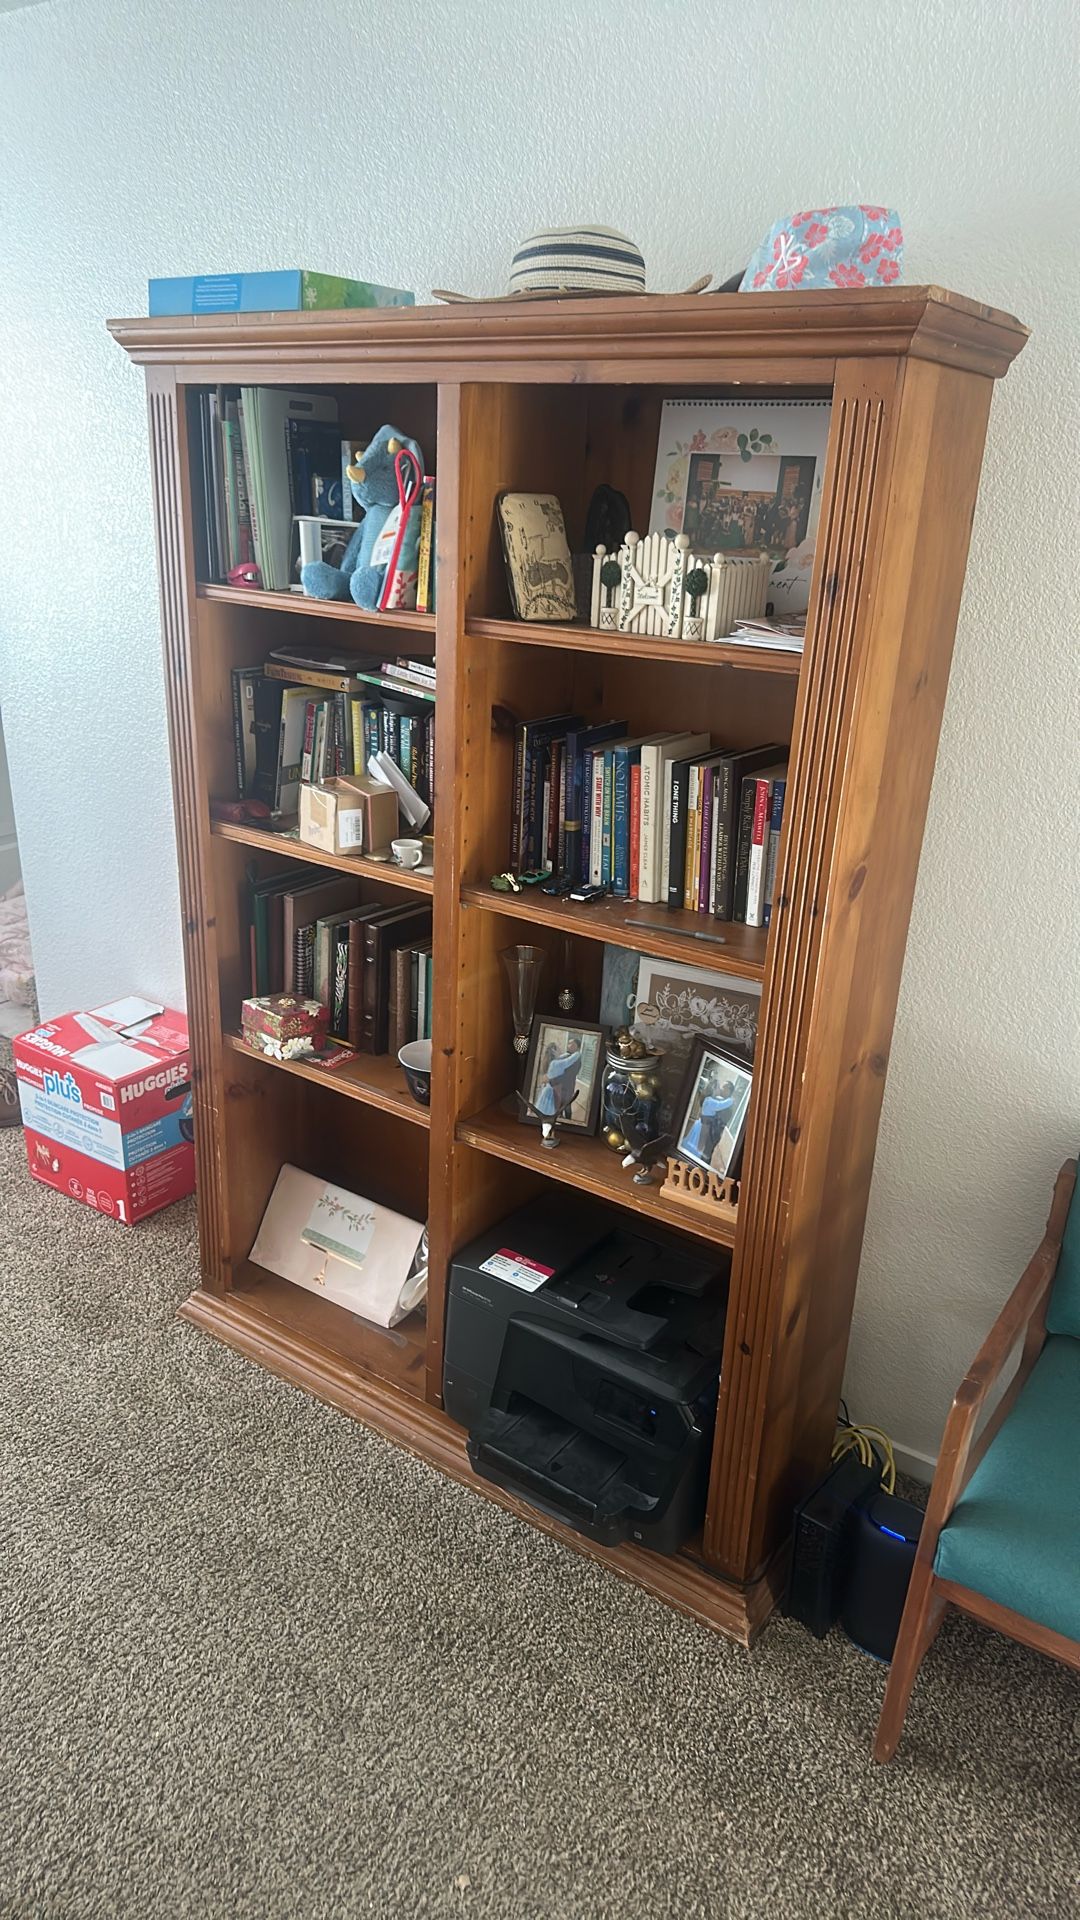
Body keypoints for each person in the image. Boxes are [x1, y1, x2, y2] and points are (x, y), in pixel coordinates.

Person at [682, 1072, 737, 1167]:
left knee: (699, 1148)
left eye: (723, 1087)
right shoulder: (712, 1101)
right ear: (713, 1090)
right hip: (704, 1126)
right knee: (698, 1147)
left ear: (728, 1090)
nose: (720, 1089)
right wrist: (731, 1100)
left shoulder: (712, 1100)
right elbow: (720, 1105)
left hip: (708, 1130)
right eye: (719, 1087)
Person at [535, 1039, 583, 1117]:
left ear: (577, 1047)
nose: (568, 1045)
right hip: (555, 1089)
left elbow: (568, 1076)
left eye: (572, 1044)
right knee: (555, 1110)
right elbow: (567, 1062)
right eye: (568, 1043)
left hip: (565, 1088)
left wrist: (550, 1080)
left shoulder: (573, 1060)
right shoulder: (560, 1060)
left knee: (565, 1107)